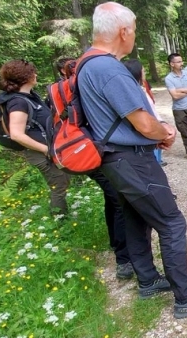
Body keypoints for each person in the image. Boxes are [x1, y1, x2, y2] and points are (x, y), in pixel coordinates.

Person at [77, 1, 187, 319]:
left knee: (135, 216)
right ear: (123, 31)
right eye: (134, 30)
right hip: (131, 159)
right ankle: (185, 297)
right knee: (172, 222)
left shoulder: (86, 64)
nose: (134, 36)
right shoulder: (109, 69)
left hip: (113, 160)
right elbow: (142, 122)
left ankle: (146, 280)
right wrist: (165, 132)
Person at [54, 58, 134, 280]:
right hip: (93, 150)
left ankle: (116, 244)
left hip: (79, 149)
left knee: (112, 197)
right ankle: (124, 259)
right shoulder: (85, 86)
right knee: (118, 200)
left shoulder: (60, 89)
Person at [0, 59, 69, 215]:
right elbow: (16, 134)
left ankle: (61, 217)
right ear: (25, 77)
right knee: (59, 183)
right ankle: (60, 221)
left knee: (62, 180)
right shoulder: (18, 102)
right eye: (32, 72)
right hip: (40, 153)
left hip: (48, 150)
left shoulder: (29, 97)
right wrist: (46, 150)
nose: (35, 75)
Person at [122, 59, 167, 166]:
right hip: (146, 130)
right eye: (143, 70)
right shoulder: (134, 92)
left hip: (153, 125)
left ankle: (157, 161)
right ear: (137, 72)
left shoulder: (142, 87)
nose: (145, 72)